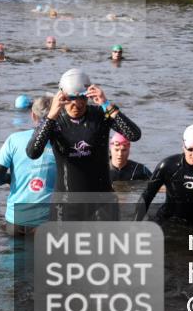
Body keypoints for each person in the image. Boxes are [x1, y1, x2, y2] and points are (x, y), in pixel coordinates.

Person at [27, 68, 141, 220]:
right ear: (62, 97)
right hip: (66, 204)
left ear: (88, 96)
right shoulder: (54, 121)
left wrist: (106, 104)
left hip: (102, 202)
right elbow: (32, 152)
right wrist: (51, 115)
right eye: (71, 99)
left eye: (82, 99)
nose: (77, 104)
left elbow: (134, 135)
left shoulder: (101, 115)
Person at [135, 125, 193, 225]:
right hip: (168, 220)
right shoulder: (167, 165)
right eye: (190, 149)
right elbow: (147, 195)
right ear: (183, 146)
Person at [0, 96, 56, 236]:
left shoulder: (14, 140)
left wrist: (10, 178)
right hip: (47, 222)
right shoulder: (64, 144)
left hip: (15, 221)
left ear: (33, 116)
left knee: (13, 257)